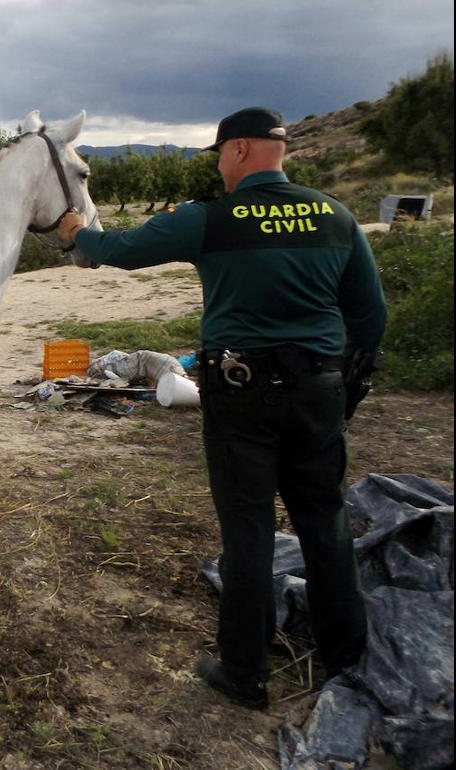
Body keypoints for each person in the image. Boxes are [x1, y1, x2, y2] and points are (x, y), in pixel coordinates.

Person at [56, 106, 388, 709]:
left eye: (218, 156)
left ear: (237, 151)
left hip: (242, 393)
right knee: (326, 523)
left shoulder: (213, 219)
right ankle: (347, 659)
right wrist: (348, 392)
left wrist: (78, 232)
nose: (219, 167)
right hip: (319, 391)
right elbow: (371, 317)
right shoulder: (336, 216)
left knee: (249, 527)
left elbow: (123, 250)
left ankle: (245, 672)